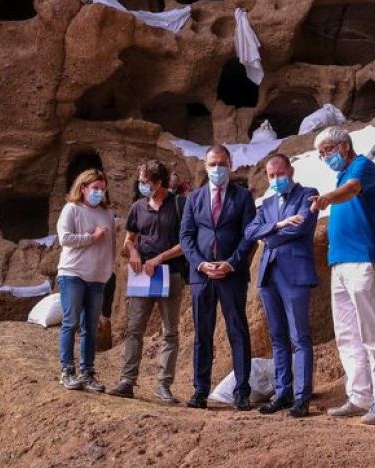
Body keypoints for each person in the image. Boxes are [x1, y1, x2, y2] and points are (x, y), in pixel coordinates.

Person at [309, 126, 375, 425]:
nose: (326, 157)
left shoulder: (363, 167)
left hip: (363, 261)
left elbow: (352, 191)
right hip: (340, 263)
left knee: (372, 331)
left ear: (345, 146)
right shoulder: (341, 174)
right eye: (322, 154)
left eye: (328, 150)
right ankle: (359, 396)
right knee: (347, 334)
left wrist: (327, 199)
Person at [179, 144, 256, 410]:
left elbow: (249, 235)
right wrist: (201, 264)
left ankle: (242, 391)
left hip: (231, 275)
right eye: (212, 164)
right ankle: (200, 390)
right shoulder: (194, 198)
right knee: (202, 333)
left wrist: (232, 263)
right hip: (202, 277)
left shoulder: (243, 197)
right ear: (205, 166)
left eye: (222, 163)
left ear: (230, 165)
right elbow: (186, 237)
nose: (217, 169)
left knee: (238, 331)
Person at [244, 153, 318, 418]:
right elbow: (250, 232)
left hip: (295, 273)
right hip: (269, 276)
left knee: (299, 336)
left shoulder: (309, 194)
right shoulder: (266, 203)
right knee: (277, 338)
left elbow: (299, 229)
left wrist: (270, 235)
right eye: (271, 175)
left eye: (280, 174)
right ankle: (282, 392)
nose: (276, 179)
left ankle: (301, 397)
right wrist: (277, 224)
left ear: (291, 170)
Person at [108, 160, 185, 404]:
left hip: (170, 273)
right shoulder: (138, 207)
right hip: (142, 273)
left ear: (158, 182)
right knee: (134, 328)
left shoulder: (179, 205)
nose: (141, 185)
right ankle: (127, 381)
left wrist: (160, 258)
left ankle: (163, 385)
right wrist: (133, 252)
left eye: (145, 182)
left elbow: (185, 243)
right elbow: (129, 239)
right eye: (140, 181)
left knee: (170, 332)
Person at [56, 168, 116, 392]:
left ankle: (87, 372)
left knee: (91, 326)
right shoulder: (72, 209)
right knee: (70, 322)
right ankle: (67, 371)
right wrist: (92, 237)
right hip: (73, 274)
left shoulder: (107, 214)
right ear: (83, 188)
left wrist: (109, 269)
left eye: (102, 189)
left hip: (97, 277)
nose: (99, 192)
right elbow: (65, 238)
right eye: (95, 189)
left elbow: (112, 244)